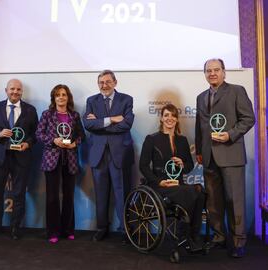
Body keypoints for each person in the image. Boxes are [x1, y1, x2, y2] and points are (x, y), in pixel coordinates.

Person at [195, 58, 255, 258]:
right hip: (209, 156)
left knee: (234, 200)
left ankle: (238, 242)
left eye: (216, 70)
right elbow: (200, 127)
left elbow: (248, 118)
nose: (212, 73)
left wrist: (230, 134)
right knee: (213, 201)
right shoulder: (201, 96)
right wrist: (201, 152)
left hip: (231, 153)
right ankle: (219, 237)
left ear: (224, 72)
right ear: (205, 74)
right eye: (208, 70)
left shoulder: (237, 90)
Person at [139, 104, 205, 253]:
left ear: (177, 119)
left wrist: (183, 164)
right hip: (160, 185)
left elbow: (188, 167)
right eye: (167, 115)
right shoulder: (151, 139)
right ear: (162, 118)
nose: (170, 118)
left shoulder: (182, 140)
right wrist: (158, 181)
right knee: (189, 192)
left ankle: (193, 237)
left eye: (173, 116)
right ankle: (185, 238)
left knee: (200, 193)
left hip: (178, 184)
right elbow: (143, 166)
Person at [0, 79, 38, 240]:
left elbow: (36, 134)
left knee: (19, 194)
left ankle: (15, 227)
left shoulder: (30, 110)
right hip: (0, 157)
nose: (15, 92)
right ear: (6, 90)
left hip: (21, 157)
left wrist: (27, 144)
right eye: (12, 89)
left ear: (22, 92)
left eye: (18, 89)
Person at [83, 70, 134, 241]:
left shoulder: (126, 99)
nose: (104, 85)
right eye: (101, 82)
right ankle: (102, 227)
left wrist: (100, 122)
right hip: (99, 154)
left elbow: (126, 125)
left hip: (119, 154)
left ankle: (125, 229)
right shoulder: (91, 100)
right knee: (101, 192)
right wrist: (111, 119)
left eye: (107, 82)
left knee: (122, 193)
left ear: (115, 82)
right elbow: (88, 124)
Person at [36, 84, 85, 244]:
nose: (61, 97)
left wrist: (74, 144)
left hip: (69, 159)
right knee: (52, 198)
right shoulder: (47, 114)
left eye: (64, 94)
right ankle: (53, 231)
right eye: (58, 95)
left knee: (69, 196)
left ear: (68, 97)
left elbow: (81, 136)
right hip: (52, 159)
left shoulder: (75, 116)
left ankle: (68, 230)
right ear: (54, 98)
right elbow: (39, 134)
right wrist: (53, 140)